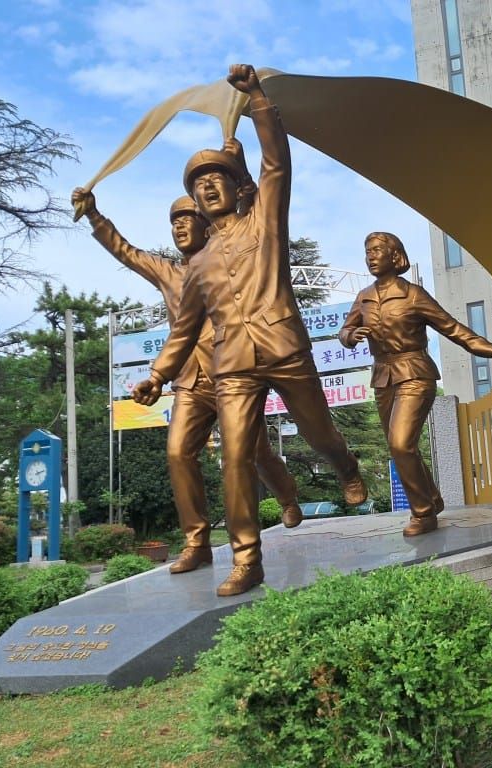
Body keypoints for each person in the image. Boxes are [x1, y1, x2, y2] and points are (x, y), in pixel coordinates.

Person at [132, 64, 367, 597]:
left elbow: (276, 165)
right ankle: (247, 557)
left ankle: (346, 467)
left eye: (217, 179)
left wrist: (258, 99)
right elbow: (185, 329)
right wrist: (156, 375)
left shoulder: (265, 221)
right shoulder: (197, 265)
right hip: (233, 364)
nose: (208, 187)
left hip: (284, 348)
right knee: (235, 457)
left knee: (317, 431)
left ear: (238, 188)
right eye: (199, 184)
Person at [71, 183, 301, 576]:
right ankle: (196, 542)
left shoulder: (226, 260)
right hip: (190, 380)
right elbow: (127, 252)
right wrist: (94, 214)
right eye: (173, 222)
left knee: (255, 453)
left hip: (234, 372)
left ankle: (287, 496)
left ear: (206, 224)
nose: (178, 228)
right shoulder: (169, 273)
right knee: (178, 453)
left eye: (186, 219)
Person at [340, 232, 492, 536]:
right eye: (367, 251)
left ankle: (423, 513)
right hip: (383, 376)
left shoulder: (413, 294)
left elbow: (452, 328)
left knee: (400, 443)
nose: (370, 256)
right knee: (402, 447)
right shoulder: (364, 297)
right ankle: (433, 498)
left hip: (415, 372)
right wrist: (350, 336)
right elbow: (346, 330)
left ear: (395, 256)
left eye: (377, 251)